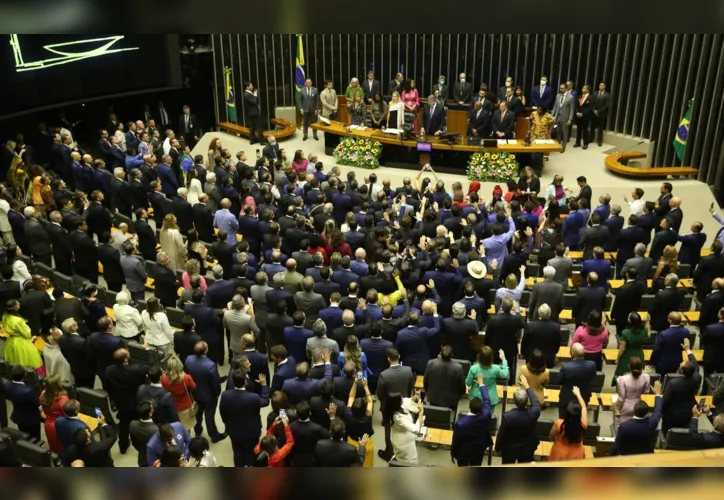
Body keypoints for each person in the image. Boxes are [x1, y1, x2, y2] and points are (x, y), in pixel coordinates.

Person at [219, 368, 270, 467]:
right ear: (245, 382)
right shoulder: (253, 397)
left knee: (237, 451)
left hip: (234, 430)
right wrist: (264, 385)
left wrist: (227, 424)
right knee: (251, 452)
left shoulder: (225, 395)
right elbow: (265, 401)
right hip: (251, 431)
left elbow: (222, 411)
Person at [185, 341, 227, 443]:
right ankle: (214, 436)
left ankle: (198, 431)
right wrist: (217, 393)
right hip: (209, 395)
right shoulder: (211, 365)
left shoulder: (188, 359)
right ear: (206, 350)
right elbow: (215, 383)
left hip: (195, 393)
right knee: (209, 415)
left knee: (197, 413)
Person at [495, 374, 541, 464]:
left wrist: (497, 448)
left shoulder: (507, 416)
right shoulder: (533, 413)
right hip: (527, 448)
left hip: (510, 449)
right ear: (527, 400)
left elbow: (501, 434)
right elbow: (535, 401)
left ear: (514, 401)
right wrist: (527, 386)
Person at [661, 339, 701, 434]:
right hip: (688, 411)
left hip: (671, 414)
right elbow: (695, 364)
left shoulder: (672, 383)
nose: (680, 363)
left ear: (682, 370)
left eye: (681, 364)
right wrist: (688, 350)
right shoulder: (696, 378)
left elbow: (665, 401)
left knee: (667, 432)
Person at [451, 382, 492, 467]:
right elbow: (486, 399)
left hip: (463, 452)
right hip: (479, 449)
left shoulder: (461, 423)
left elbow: (456, 441)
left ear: (469, 407)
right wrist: (481, 384)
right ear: (481, 409)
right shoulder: (486, 415)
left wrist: (453, 453)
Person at [485, 298, 525, 385]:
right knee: (509, 366)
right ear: (511, 308)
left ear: (501, 307)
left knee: (493, 365)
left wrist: (487, 345)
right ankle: (510, 383)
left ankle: (493, 381)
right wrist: (517, 311)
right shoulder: (516, 319)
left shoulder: (493, 319)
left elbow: (487, 334)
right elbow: (523, 324)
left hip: (495, 346)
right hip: (510, 347)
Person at [3, 299, 43, 374]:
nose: (19, 303)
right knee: (33, 360)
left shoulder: (5, 316)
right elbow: (27, 334)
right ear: (15, 307)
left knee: (15, 361)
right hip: (22, 343)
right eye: (17, 303)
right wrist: (32, 338)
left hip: (11, 341)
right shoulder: (18, 320)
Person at [548, 386, 587, 461]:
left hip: (559, 453)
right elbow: (584, 407)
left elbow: (551, 437)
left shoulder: (559, 423)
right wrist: (578, 394)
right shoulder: (583, 424)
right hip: (577, 454)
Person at [3, 365, 41, 440]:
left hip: (19, 416)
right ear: (24, 375)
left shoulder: (6, 385)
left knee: (24, 436)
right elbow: (36, 404)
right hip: (32, 419)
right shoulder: (27, 391)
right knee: (35, 438)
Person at [384, 391, 423, 465]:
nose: (403, 398)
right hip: (404, 445)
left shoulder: (394, 406)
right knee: (408, 463)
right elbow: (416, 430)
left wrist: (415, 396)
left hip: (404, 439)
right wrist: (421, 412)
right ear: (397, 402)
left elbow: (406, 401)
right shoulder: (397, 417)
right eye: (401, 398)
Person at [558, 343, 597, 418]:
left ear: (572, 353)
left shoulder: (566, 367)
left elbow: (559, 381)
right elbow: (593, 376)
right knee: (580, 416)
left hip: (567, 396)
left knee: (563, 418)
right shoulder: (592, 365)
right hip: (584, 394)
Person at [423, 345, 466, 412]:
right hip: (451, 401)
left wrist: (428, 392)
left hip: (433, 398)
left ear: (440, 353)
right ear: (452, 355)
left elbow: (425, 381)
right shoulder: (458, 368)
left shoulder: (430, 363)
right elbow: (462, 387)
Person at [160, 356, 197, 432]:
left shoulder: (164, 379)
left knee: (176, 429)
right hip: (185, 407)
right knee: (187, 429)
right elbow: (193, 386)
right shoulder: (186, 378)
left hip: (172, 407)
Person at [466, 346, 508, 412]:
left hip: (475, 398)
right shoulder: (496, 369)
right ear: (491, 358)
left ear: (479, 356)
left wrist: (472, 384)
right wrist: (504, 359)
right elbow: (505, 374)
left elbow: (468, 383)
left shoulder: (473, 368)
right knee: (488, 419)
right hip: (490, 399)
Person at [614, 355, 652, 426]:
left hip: (625, 407)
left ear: (629, 366)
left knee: (622, 427)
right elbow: (646, 392)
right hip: (639, 407)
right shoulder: (646, 377)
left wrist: (616, 408)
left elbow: (621, 397)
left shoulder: (622, 379)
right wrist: (644, 374)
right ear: (641, 367)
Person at [651, 311, 691, 377]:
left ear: (669, 320)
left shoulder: (663, 334)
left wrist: (652, 360)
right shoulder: (686, 332)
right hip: (677, 361)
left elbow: (656, 349)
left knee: (661, 379)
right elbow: (687, 345)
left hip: (663, 362)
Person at [39, 373, 70, 453]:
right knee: (63, 448)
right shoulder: (63, 400)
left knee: (54, 447)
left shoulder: (43, 395)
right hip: (61, 426)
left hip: (48, 425)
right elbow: (67, 415)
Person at [129, 400, 158, 467]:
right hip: (154, 460)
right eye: (152, 408)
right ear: (150, 413)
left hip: (142, 458)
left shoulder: (132, 424)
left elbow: (134, 442)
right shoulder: (155, 430)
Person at [592, 81, 610, 146]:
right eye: (600, 85)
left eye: (602, 85)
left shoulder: (607, 95)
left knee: (600, 128)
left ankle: (599, 141)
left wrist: (598, 111)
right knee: (592, 127)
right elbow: (592, 103)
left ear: (605, 87)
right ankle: (591, 138)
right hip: (594, 113)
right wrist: (594, 110)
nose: (601, 86)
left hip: (602, 114)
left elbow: (606, 106)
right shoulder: (595, 93)